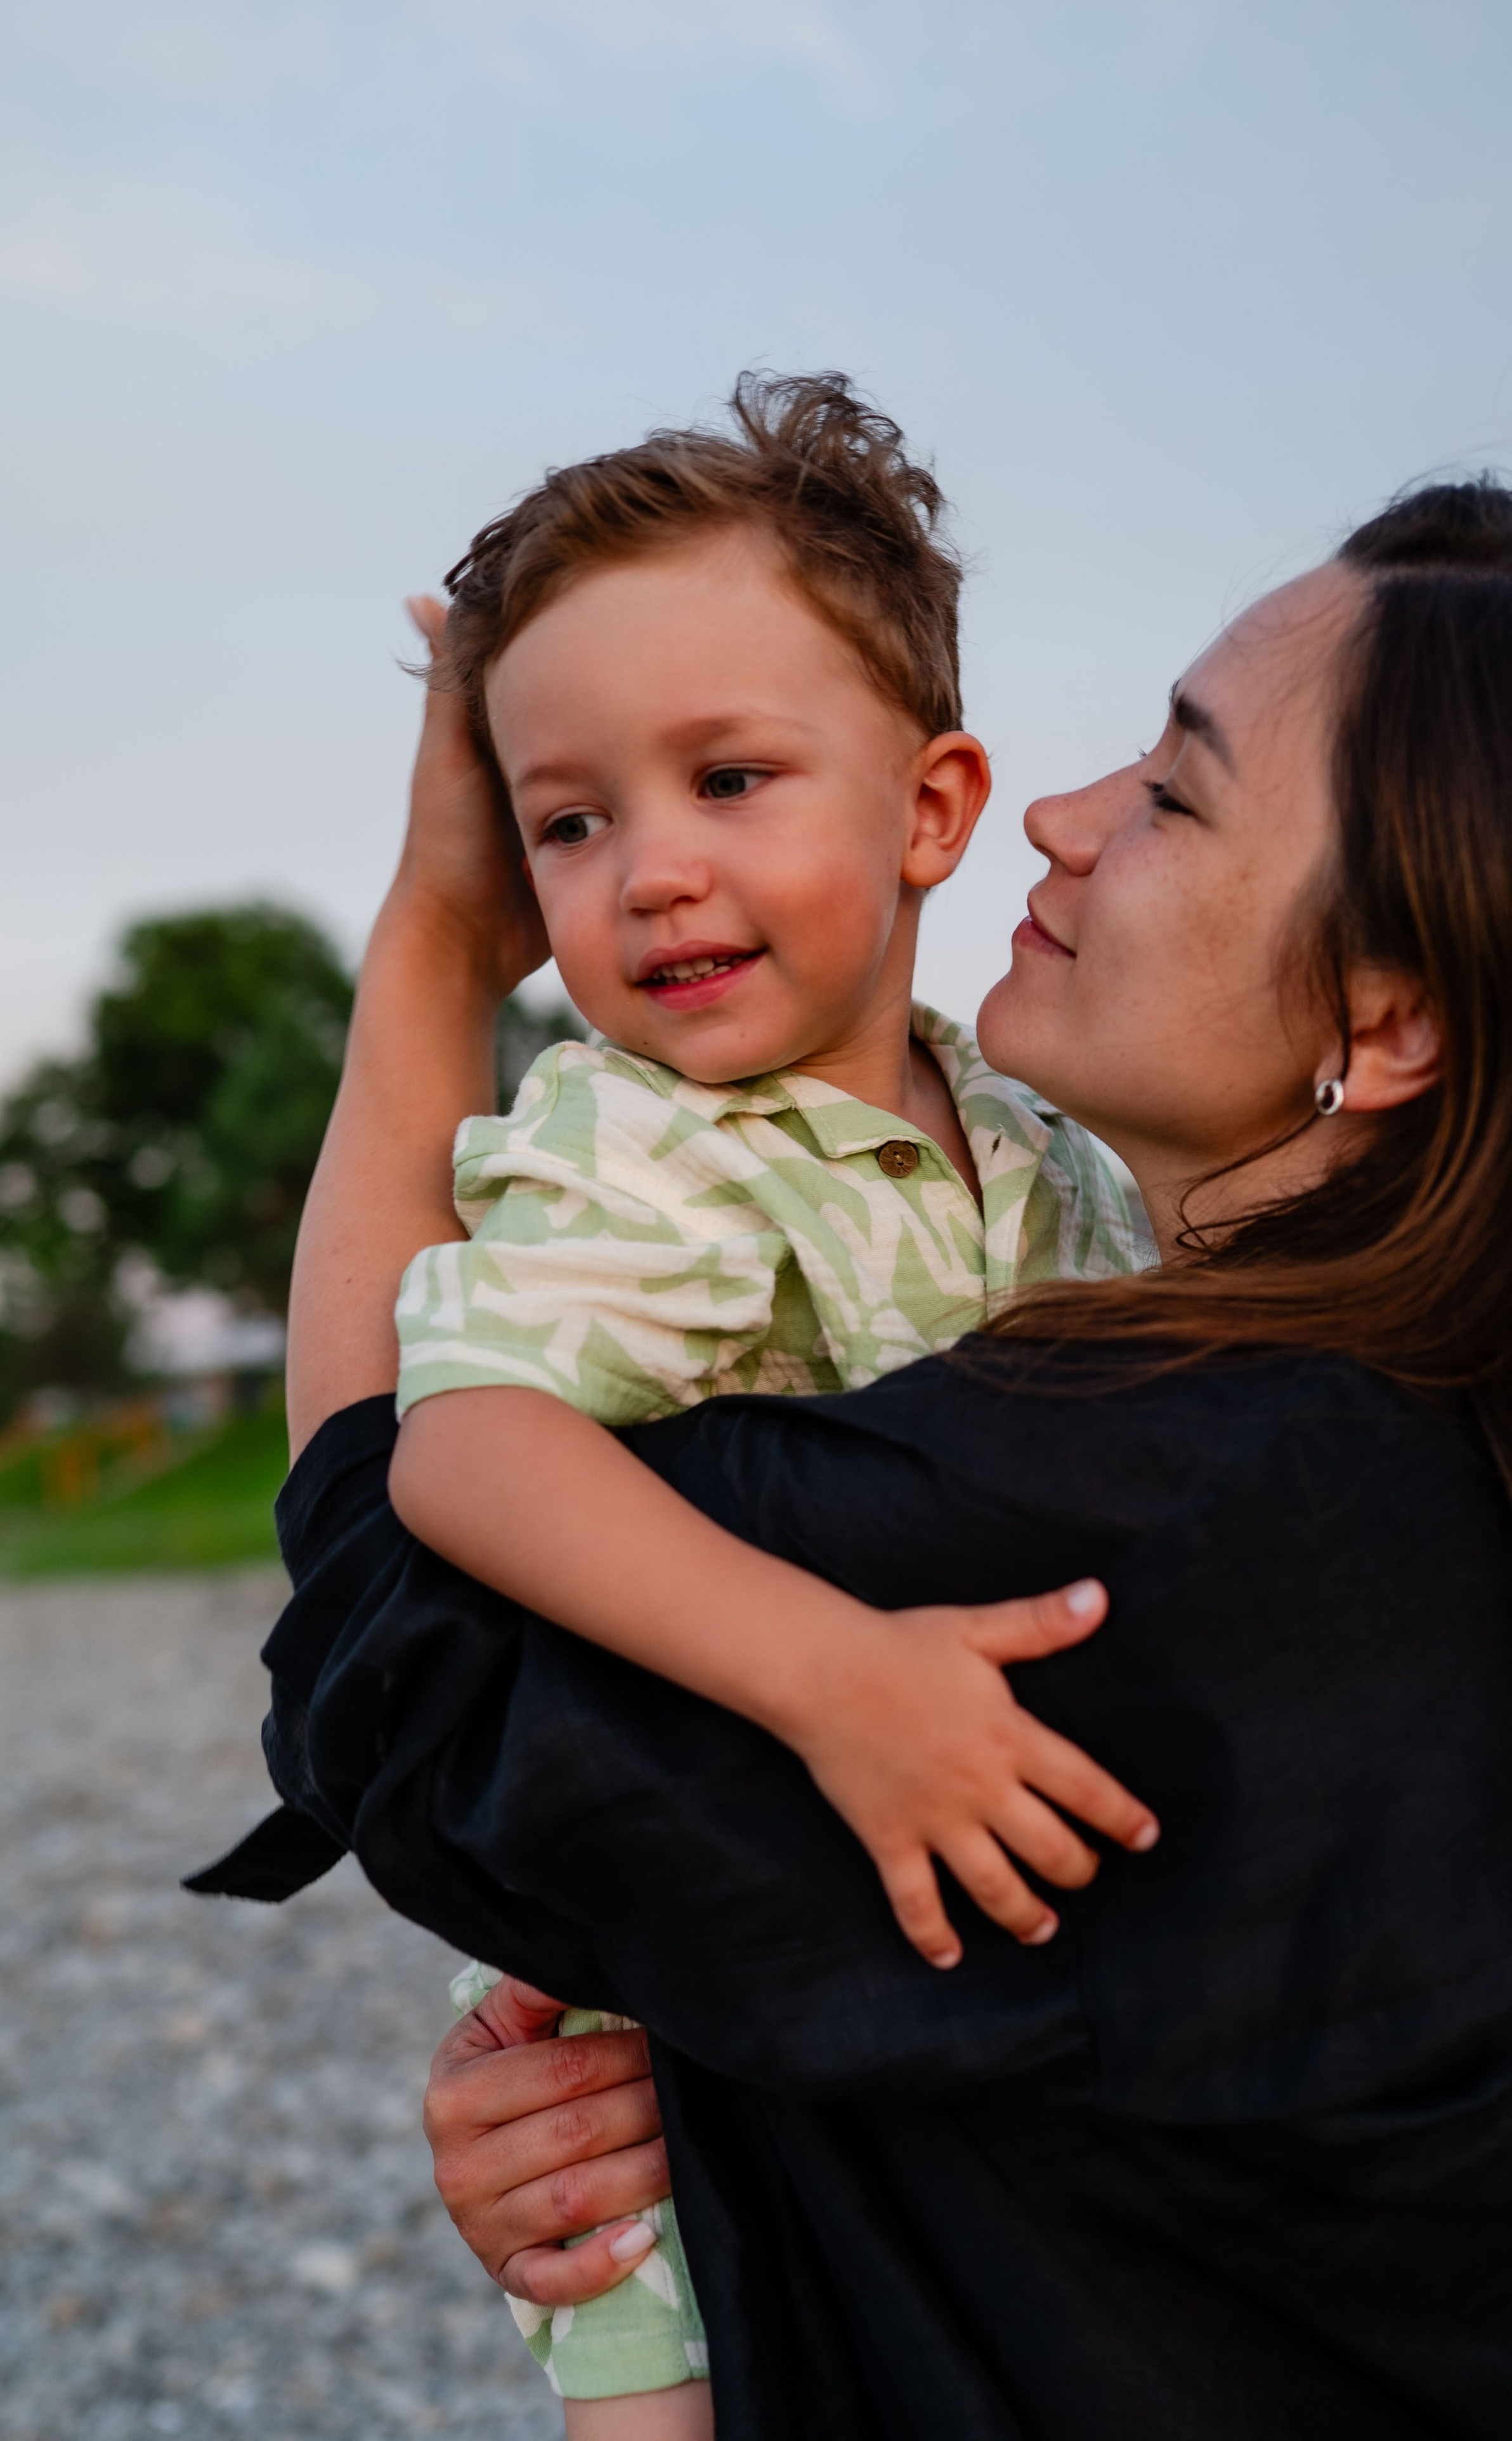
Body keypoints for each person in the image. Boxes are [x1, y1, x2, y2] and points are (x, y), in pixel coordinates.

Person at [196, 478, 1512, 2436]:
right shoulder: (1367, 1413)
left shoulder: (1193, 1481)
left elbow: (396, 1634)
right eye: (577, 820)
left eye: (1178, 791)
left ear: (1386, 1015)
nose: (1072, 812)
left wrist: (434, 935)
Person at [385, 374, 1156, 2428]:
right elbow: (461, 1441)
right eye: (572, 819)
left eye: (729, 779)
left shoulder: (1047, 1149)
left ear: (929, 808)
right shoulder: (633, 1147)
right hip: (649, 2022)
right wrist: (834, 1677)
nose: (647, 871)